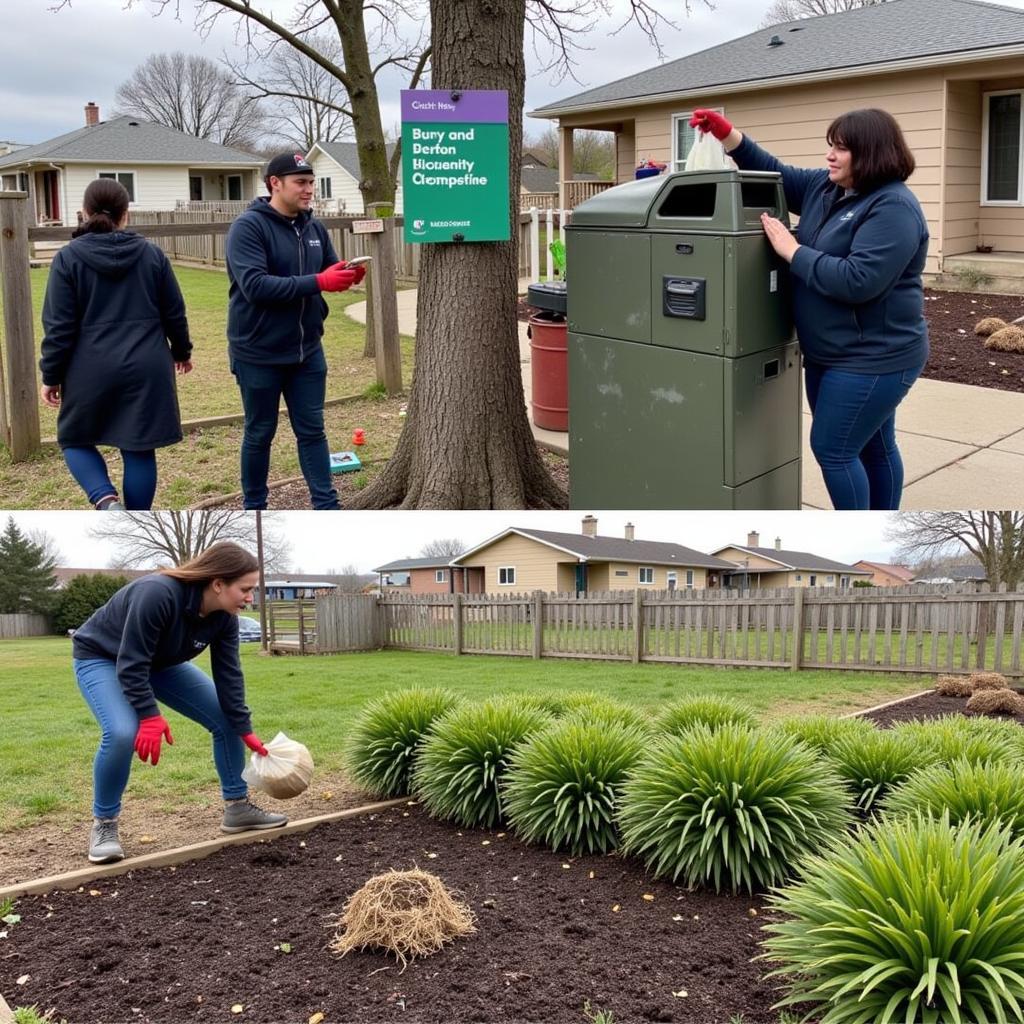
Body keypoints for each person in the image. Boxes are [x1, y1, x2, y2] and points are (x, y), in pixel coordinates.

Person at [689, 107, 929, 511]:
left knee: (834, 449)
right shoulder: (825, 188)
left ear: (871, 153)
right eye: (830, 147)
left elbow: (859, 280)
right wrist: (727, 134)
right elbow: (773, 170)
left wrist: (792, 250)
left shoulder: (893, 208)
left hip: (875, 358)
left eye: (842, 149)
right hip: (830, 354)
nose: (830, 156)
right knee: (874, 444)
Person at [71, 541, 286, 863]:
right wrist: (148, 716)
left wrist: (243, 727)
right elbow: (131, 664)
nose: (250, 598)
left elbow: (229, 675)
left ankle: (237, 807)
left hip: (160, 662)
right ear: (218, 584)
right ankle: (104, 824)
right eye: (245, 589)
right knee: (120, 733)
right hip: (103, 657)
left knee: (227, 718)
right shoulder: (157, 593)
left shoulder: (225, 617)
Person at [39, 178, 192, 510]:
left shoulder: (67, 259)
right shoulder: (152, 255)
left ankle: (106, 502)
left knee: (74, 440)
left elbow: (58, 328)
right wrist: (182, 352)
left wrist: (50, 376)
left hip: (89, 368)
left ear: (85, 212)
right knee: (138, 446)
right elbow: (174, 312)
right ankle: (136, 521)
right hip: (147, 365)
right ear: (127, 215)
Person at [225, 152, 367, 511]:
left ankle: (326, 506)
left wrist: (345, 274)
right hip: (258, 351)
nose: (309, 190)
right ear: (275, 183)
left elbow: (326, 270)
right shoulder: (248, 228)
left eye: (311, 182)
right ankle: (254, 507)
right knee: (259, 433)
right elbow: (255, 285)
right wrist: (320, 280)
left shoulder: (313, 227)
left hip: (307, 351)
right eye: (300, 183)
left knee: (312, 431)